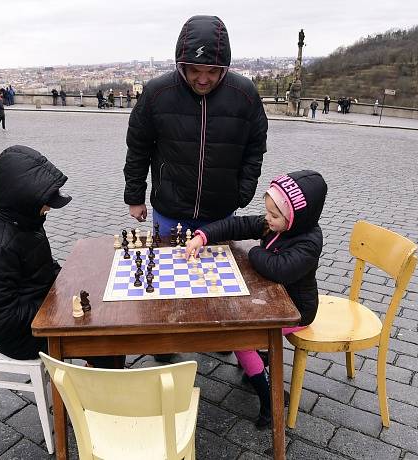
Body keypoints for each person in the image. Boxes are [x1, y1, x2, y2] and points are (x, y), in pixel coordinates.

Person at [185, 170, 327, 429]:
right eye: (268, 212)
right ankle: (255, 368)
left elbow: (278, 268)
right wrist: (202, 236)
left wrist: (255, 251)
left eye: (274, 215)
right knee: (239, 326)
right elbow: (236, 225)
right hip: (272, 301)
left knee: (241, 336)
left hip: (297, 310)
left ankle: (269, 400)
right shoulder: (273, 224)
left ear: (296, 217)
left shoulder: (309, 243)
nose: (267, 219)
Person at [0, 145, 123, 367]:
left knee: (105, 322)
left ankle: (99, 378)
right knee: (105, 341)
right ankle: (92, 394)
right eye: (44, 203)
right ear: (24, 199)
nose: (47, 208)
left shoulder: (22, 220)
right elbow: (2, 320)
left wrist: (69, 281)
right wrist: (57, 306)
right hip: (17, 337)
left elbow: (41, 266)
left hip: (35, 310)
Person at [124, 15, 268, 233]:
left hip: (221, 213)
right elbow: (138, 148)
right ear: (182, 66)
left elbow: (255, 147)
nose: (202, 79)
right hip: (169, 212)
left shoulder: (245, 94)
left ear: (224, 67)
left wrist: (243, 192)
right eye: (194, 70)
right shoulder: (157, 92)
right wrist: (135, 197)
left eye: (211, 71)